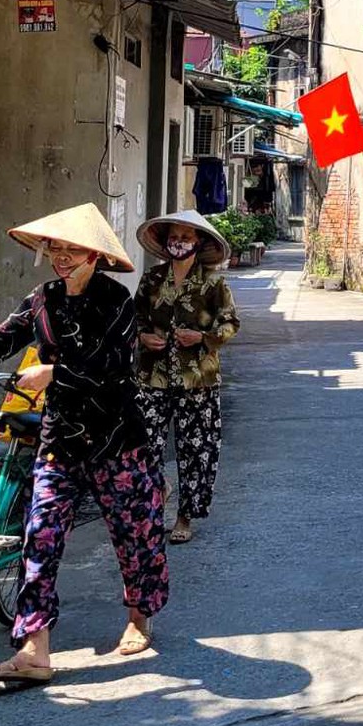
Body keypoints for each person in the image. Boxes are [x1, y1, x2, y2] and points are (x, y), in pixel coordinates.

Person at [0, 203, 167, 685]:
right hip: (59, 438)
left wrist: (53, 373)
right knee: (39, 536)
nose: (61, 256)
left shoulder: (116, 301)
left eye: (72, 248)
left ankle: (138, 620)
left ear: (95, 255)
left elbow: (114, 372)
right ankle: (34, 648)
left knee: (134, 535)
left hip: (117, 439)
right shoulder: (42, 299)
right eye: (55, 247)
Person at [132, 211, 241, 544]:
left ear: (198, 244)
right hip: (153, 376)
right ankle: (157, 492)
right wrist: (141, 337)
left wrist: (203, 338)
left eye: (185, 237)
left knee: (196, 450)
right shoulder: (151, 280)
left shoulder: (213, 284)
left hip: (198, 380)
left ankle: (185, 516)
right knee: (143, 443)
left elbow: (230, 324)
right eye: (174, 237)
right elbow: (133, 319)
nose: (178, 242)